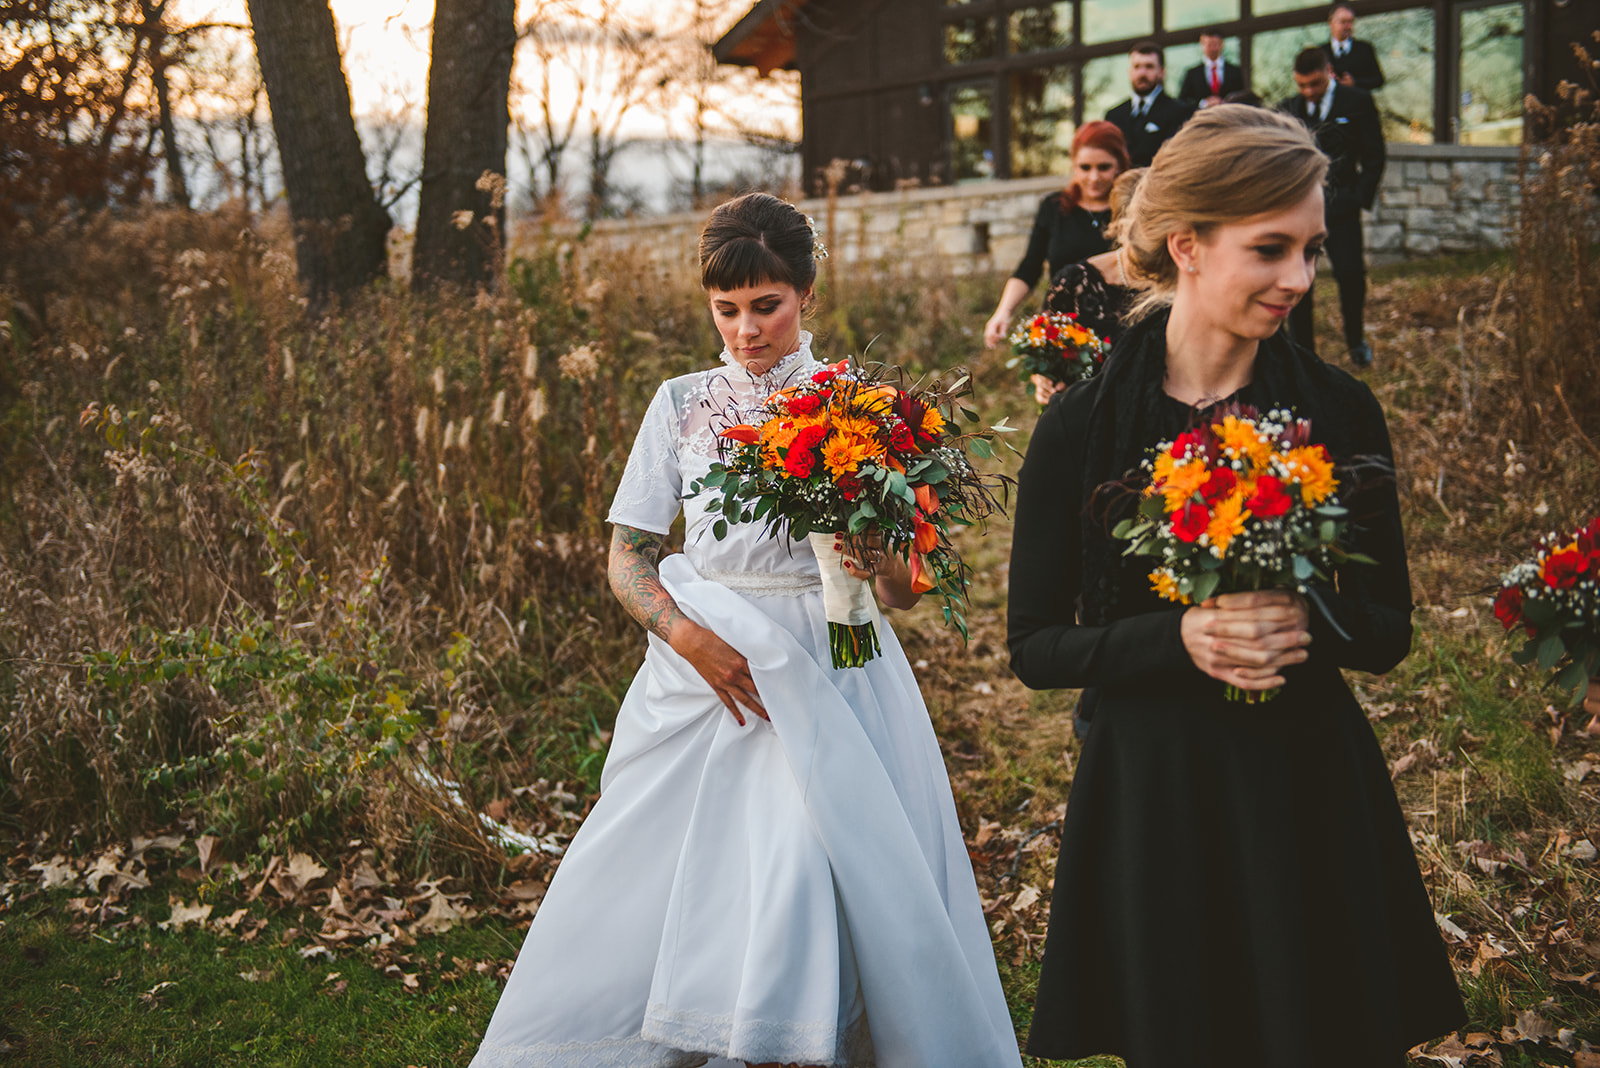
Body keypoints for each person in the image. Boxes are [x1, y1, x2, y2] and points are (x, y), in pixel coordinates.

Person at [469, 192, 1023, 1068]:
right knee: (681, 865)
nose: (745, 329)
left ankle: (799, 1037)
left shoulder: (866, 407)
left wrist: (873, 552)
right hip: (705, 661)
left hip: (834, 659)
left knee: (814, 861)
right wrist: (689, 641)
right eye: (726, 309)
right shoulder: (681, 403)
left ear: (806, 292)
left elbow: (910, 590)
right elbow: (628, 557)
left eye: (766, 305)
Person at [1008, 105, 1465, 1068]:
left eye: (1311, 250)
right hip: (1152, 791)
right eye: (1271, 250)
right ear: (1188, 246)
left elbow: (1387, 630)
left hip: (1303, 787)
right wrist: (1177, 640)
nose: (1300, 278)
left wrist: (1306, 616)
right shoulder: (1082, 427)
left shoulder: (1339, 410)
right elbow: (1035, 646)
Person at [1280, 45, 1385, 367]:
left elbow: (1374, 155)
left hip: (1342, 210)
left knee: (1351, 275)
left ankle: (1355, 340)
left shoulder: (1358, 102)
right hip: (1299, 214)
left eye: (1314, 84)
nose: (1308, 92)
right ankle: (1303, 351)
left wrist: (1359, 196)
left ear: (1329, 73)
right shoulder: (1288, 109)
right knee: (1299, 282)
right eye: (1302, 85)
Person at [983, 121, 1130, 349]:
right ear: (1073, 165)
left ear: (1119, 165)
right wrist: (1003, 311)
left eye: (1103, 167)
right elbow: (1030, 267)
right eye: (1085, 167)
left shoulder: (1130, 211)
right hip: (1063, 333)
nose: (1094, 177)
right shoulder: (1054, 208)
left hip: (1119, 334)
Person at [1034, 167, 1148, 405]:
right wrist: (1043, 378)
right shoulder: (1074, 282)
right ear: (1119, 225)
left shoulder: (1188, 279)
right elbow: (1045, 356)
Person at [1105, 43, 1195, 167]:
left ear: (1162, 72)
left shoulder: (1180, 112)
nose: (1142, 73)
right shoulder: (1113, 115)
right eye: (1137, 67)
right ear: (1130, 71)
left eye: (1149, 66)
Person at [1324, 2, 1386, 92]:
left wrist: (1355, 82)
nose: (1348, 26)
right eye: (1343, 22)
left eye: (1350, 22)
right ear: (1330, 23)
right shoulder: (1321, 52)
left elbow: (1379, 80)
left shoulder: (1365, 48)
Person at [1178, 31, 1244, 109]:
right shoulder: (1192, 74)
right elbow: (1182, 101)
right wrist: (1203, 104)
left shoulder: (1235, 71)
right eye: (1209, 45)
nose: (1213, 48)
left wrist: (1225, 102)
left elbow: (1242, 97)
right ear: (1202, 45)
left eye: (1216, 44)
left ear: (1222, 45)